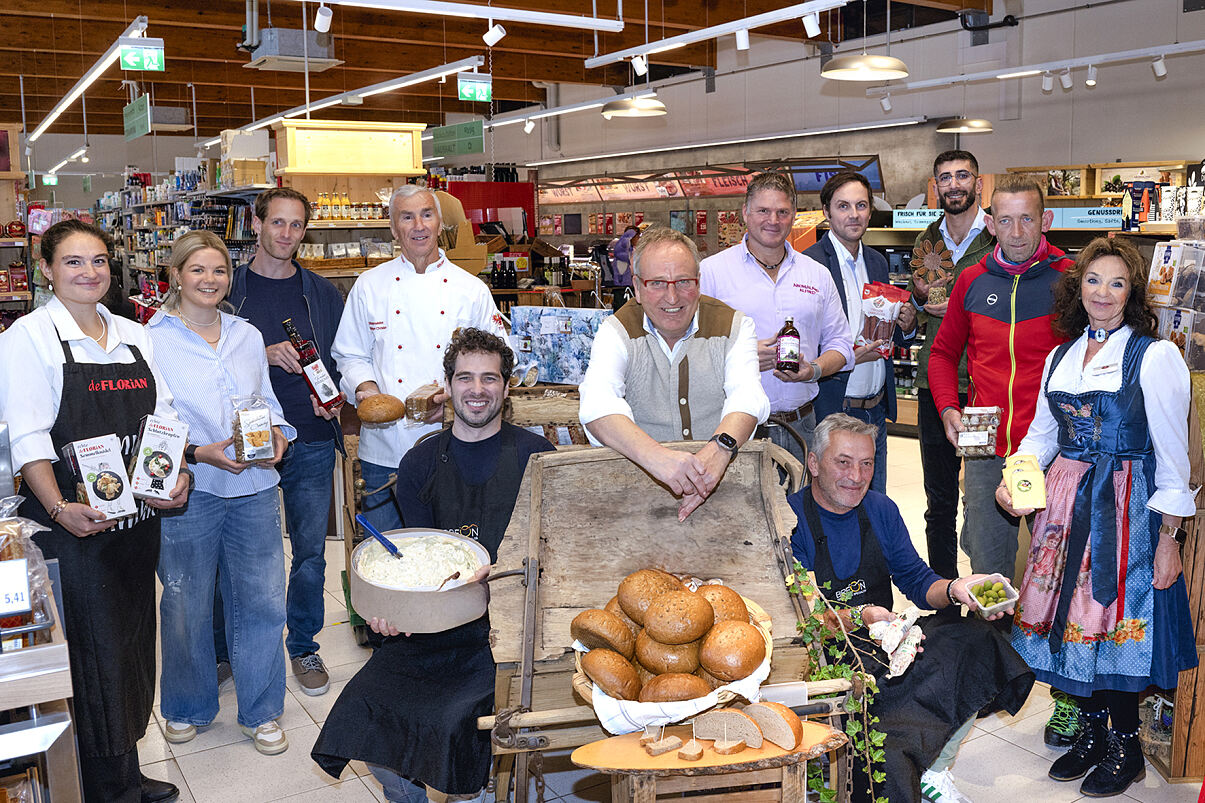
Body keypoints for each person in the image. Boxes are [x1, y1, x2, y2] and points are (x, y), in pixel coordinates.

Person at [312, 328, 554, 802]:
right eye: (465, 378)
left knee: (458, 722)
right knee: (364, 709)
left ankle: (474, 789)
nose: (477, 389)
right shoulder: (421, 461)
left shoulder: (537, 457)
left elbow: (554, 555)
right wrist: (389, 612)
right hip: (433, 627)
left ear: (506, 388)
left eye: (490, 378)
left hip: (507, 630)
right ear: (448, 386)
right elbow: (414, 562)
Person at [997, 237, 1197, 797]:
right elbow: (1040, 435)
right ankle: (1088, 730)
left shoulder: (1155, 356)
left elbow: (1173, 455)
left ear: (1132, 292)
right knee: (1070, 619)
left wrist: (1169, 536)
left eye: (1116, 283)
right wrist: (1018, 486)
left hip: (1124, 506)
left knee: (1110, 622)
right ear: (1076, 286)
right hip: (1064, 502)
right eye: (1093, 280)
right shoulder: (1060, 356)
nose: (1102, 293)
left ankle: (1126, 745)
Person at [0, 220, 190, 803]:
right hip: (73, 530)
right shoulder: (28, 337)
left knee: (133, 642)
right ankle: (100, 786)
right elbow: (28, 438)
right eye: (74, 262)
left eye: (99, 261)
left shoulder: (136, 335)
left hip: (136, 522)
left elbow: (165, 417)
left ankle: (125, 771)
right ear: (47, 271)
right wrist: (59, 509)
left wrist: (175, 472)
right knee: (92, 652)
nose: (90, 273)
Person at [788, 414, 1034, 803]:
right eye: (843, 462)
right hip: (826, 660)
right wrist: (862, 614)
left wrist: (957, 588)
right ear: (815, 464)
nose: (857, 475)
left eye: (867, 463)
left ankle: (936, 768)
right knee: (884, 734)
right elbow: (800, 621)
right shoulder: (791, 519)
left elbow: (919, 582)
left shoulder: (880, 510)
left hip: (885, 646)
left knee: (977, 639)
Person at [148, 231, 296, 757]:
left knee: (260, 601)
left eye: (219, 271)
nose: (209, 280)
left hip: (255, 487)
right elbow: (153, 423)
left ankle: (262, 711)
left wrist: (280, 435)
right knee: (185, 602)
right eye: (198, 270)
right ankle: (187, 705)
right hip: (191, 489)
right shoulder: (152, 339)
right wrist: (200, 453)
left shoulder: (247, 335)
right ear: (176, 276)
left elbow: (268, 404)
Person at [226, 186, 346, 697]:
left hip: (312, 437)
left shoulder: (320, 293)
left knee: (311, 552)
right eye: (278, 223)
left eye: (297, 226)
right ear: (256, 224)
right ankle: (234, 647)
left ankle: (303, 644)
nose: (287, 235)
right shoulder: (225, 289)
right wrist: (259, 350)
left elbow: (341, 359)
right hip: (245, 442)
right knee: (243, 555)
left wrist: (335, 399)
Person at [333, 185, 506, 535]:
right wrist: (366, 389)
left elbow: (498, 359)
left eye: (427, 214)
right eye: (407, 217)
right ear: (394, 228)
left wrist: (453, 402)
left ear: (440, 223)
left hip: (453, 443)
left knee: (447, 546)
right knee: (386, 554)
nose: (419, 225)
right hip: (384, 448)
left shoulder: (470, 289)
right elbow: (349, 354)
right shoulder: (369, 286)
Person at [927, 173, 1074, 581]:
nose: (1016, 232)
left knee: (1056, 568)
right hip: (983, 445)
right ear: (990, 225)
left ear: (1046, 221)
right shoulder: (971, 280)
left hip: (1052, 445)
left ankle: (1046, 644)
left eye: (1027, 219)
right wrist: (947, 409)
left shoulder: (1071, 279)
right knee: (988, 566)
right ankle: (991, 643)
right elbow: (941, 353)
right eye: (1005, 220)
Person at [578, 226, 770, 521]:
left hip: (725, 490)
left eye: (683, 282)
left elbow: (747, 396)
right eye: (657, 283)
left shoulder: (735, 326)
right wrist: (658, 459)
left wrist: (719, 450)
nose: (672, 297)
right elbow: (597, 405)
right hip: (636, 499)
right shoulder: (615, 331)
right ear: (638, 287)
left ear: (698, 283)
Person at [700, 171, 854, 461]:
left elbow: (842, 345)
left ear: (794, 215)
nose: (773, 220)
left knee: (798, 505)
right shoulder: (712, 273)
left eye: (782, 212)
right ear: (745, 212)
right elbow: (688, 346)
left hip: (803, 425)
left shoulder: (816, 274)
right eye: (763, 211)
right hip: (736, 428)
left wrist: (814, 370)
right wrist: (737, 355)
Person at [908, 150, 995, 582]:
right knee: (939, 498)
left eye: (963, 175)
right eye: (946, 177)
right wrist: (922, 305)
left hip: (984, 387)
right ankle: (943, 594)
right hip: (934, 383)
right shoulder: (926, 241)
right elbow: (918, 302)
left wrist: (953, 308)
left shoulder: (999, 236)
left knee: (981, 495)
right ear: (936, 185)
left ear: (979, 183)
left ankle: (987, 592)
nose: (954, 184)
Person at [804, 171, 916, 493]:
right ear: (826, 212)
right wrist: (847, 357)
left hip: (875, 410)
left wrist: (905, 327)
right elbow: (802, 344)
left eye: (861, 205)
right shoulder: (809, 266)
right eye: (843, 206)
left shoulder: (878, 262)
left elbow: (885, 328)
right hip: (834, 407)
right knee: (833, 502)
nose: (854, 215)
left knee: (874, 502)